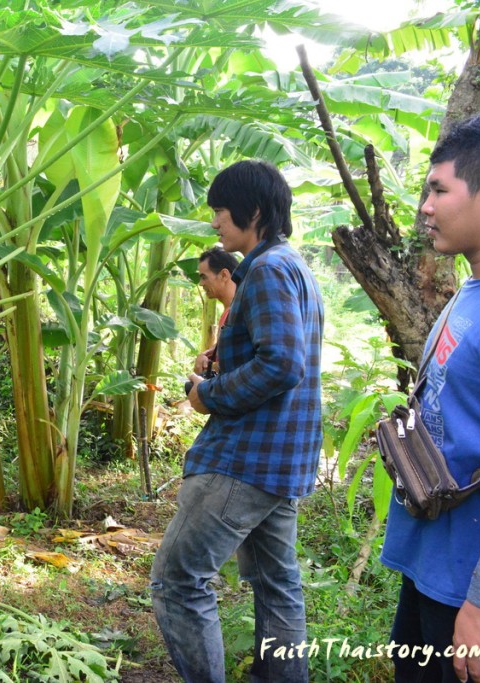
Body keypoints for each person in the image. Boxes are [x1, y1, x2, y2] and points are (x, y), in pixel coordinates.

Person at [151, 160, 324, 683]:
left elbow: (282, 364)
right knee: (277, 585)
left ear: (251, 212)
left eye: (221, 213)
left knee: (178, 580)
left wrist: (209, 394)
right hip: (282, 460)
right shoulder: (294, 267)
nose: (215, 225)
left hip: (245, 459)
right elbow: (280, 354)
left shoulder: (267, 271)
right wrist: (225, 359)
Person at [380, 112, 480, 683]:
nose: (424, 206)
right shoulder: (471, 291)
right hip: (431, 564)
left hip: (472, 593)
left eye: (438, 189)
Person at [193, 247, 240, 376]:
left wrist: (208, 366)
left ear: (224, 275)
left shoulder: (236, 314)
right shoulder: (229, 312)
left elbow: (235, 364)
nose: (201, 283)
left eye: (204, 277)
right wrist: (205, 355)